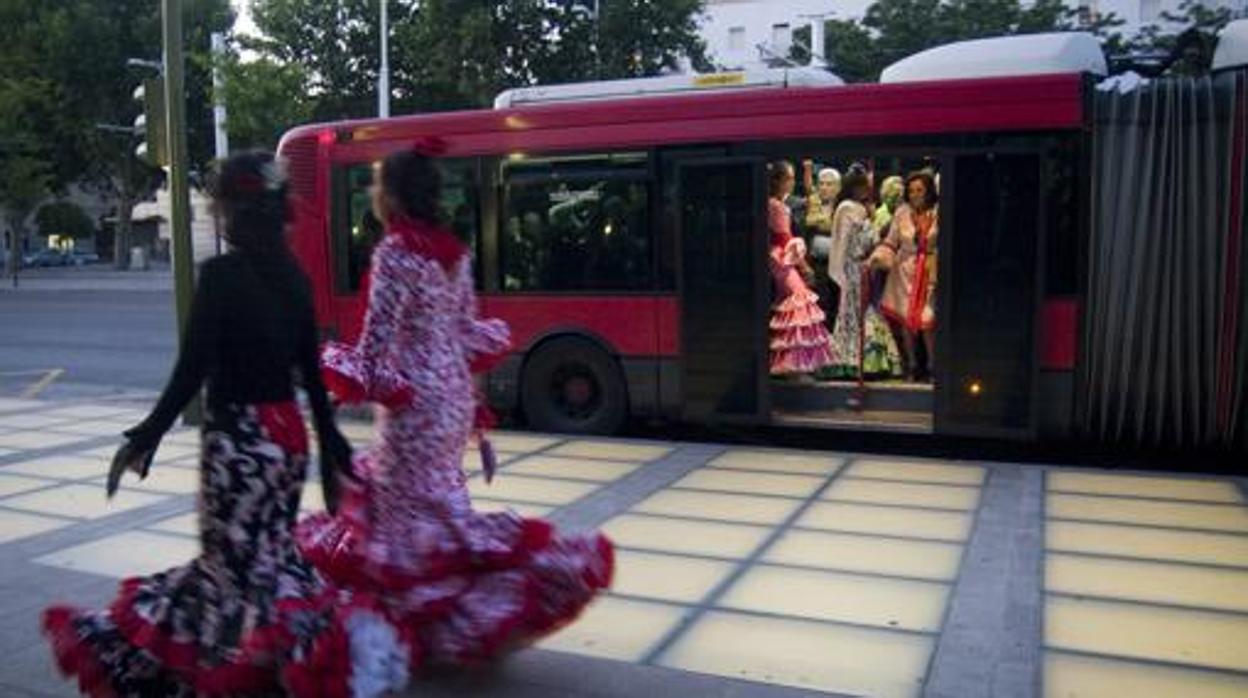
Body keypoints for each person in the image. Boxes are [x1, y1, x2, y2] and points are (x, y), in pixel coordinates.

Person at [41, 151, 409, 698]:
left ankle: (225, 665)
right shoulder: (294, 279)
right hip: (286, 443)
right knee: (273, 560)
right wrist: (334, 452)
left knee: (228, 568)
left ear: (235, 211)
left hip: (236, 445)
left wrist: (148, 434)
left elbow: (191, 371)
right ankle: (280, 661)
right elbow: (312, 379)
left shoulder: (219, 277)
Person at [298, 141, 614, 670]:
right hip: (451, 400)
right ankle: (456, 618)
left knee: (401, 514)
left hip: (413, 402)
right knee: (440, 505)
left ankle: (417, 631)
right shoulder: (455, 253)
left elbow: (375, 345)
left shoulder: (395, 253)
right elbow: (466, 333)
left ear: (390, 195)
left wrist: (337, 382)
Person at [826, 166, 902, 380]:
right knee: (857, 312)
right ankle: (855, 360)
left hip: (861, 268)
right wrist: (872, 223)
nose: (867, 190)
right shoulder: (850, 208)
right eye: (863, 186)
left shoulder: (850, 208)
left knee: (860, 311)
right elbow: (859, 242)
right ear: (854, 187)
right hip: (855, 269)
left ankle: (862, 359)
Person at [767, 160, 834, 377]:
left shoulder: (774, 203)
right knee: (800, 301)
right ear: (778, 180)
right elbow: (785, 238)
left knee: (789, 307)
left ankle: (790, 362)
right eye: (789, 178)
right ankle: (795, 363)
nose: (791, 182)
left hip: (778, 256)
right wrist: (805, 267)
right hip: (781, 257)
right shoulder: (776, 205)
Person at [871, 171, 939, 381]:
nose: (915, 194)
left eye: (920, 190)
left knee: (928, 321)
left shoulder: (938, 211)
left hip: (929, 270)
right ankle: (912, 365)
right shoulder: (902, 212)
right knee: (906, 323)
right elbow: (891, 242)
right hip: (903, 271)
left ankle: (932, 366)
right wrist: (876, 258)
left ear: (929, 192)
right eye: (911, 191)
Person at [801, 161, 842, 335]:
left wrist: (821, 223)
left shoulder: (842, 207)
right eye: (822, 184)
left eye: (829, 184)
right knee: (819, 301)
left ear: (838, 187)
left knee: (836, 302)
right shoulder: (811, 205)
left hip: (838, 263)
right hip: (816, 262)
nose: (824, 188)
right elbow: (806, 227)